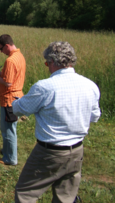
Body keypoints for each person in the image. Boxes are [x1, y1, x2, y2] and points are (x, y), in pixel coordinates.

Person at [12, 41, 101, 202]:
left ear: (52, 62)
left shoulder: (45, 87)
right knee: (66, 196)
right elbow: (94, 116)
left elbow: (20, 109)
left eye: (46, 63)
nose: (47, 66)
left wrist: (16, 102)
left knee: (26, 192)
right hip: (77, 150)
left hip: (49, 152)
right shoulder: (90, 85)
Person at [0, 34, 26, 166]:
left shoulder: (10, 61)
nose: (1, 52)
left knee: (8, 130)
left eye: (1, 49)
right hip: (16, 98)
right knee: (6, 128)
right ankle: (6, 151)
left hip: (9, 100)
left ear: (7, 46)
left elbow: (8, 83)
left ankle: (10, 159)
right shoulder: (19, 56)